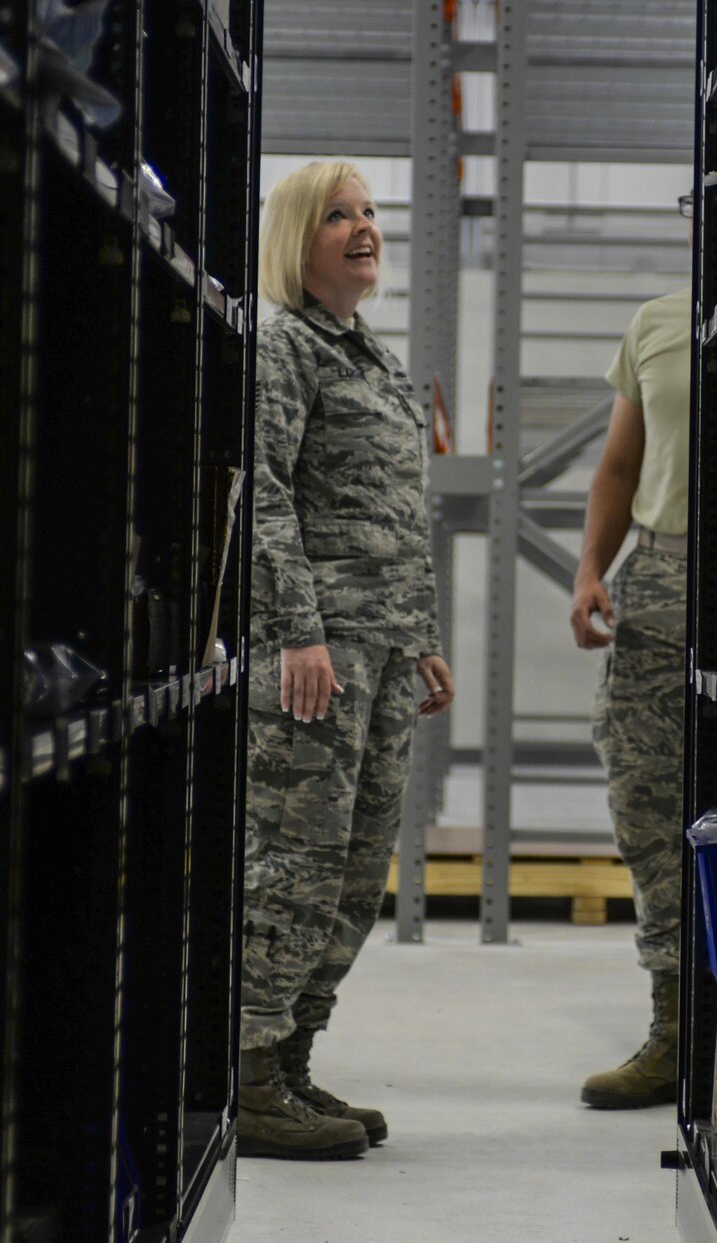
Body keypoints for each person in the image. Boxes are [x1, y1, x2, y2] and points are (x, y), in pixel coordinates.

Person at [240, 160, 456, 1159]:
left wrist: (419, 638)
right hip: (313, 664)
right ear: (300, 236)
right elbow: (266, 494)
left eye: (370, 213)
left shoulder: (365, 353)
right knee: (293, 867)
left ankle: (291, 1062)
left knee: (355, 871)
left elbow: (390, 511)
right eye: (340, 216)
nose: (365, 229)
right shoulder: (285, 345)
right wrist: (297, 630)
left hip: (376, 655)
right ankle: (245, 1072)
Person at [568, 190, 697, 1109]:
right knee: (649, 803)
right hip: (662, 583)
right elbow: (619, 464)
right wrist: (589, 572)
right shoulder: (656, 321)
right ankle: (677, 1028)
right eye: (701, 202)